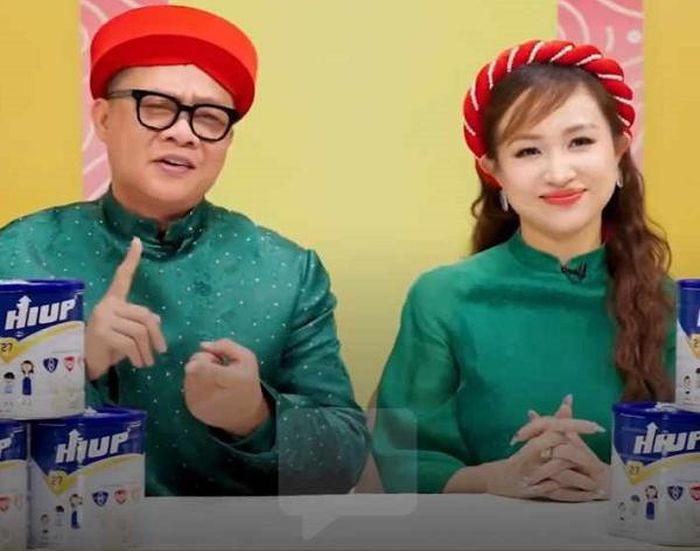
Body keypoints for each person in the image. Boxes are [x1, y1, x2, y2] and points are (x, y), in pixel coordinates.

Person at [0, 5, 368, 495]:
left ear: (227, 140)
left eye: (209, 117)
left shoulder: (288, 272)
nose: (183, 132)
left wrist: (255, 417)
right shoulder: (19, 254)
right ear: (103, 119)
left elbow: (345, 460)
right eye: (155, 106)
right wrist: (73, 364)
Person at [372, 39, 674, 500]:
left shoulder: (674, 307)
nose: (559, 172)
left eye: (580, 142)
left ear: (618, 152)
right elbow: (402, 458)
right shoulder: (442, 297)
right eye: (529, 151)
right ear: (494, 171)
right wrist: (497, 479)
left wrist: (615, 484)